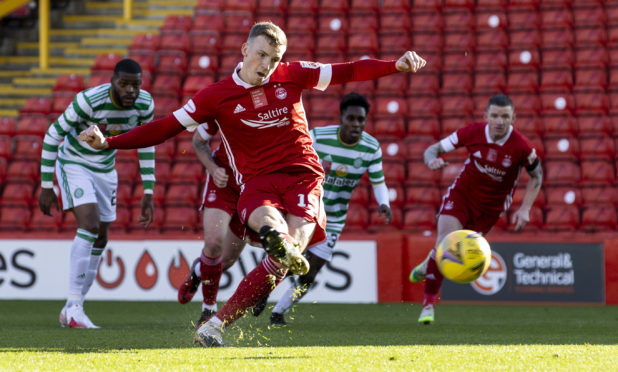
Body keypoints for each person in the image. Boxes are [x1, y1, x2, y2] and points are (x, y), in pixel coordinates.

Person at [78, 22, 425, 346]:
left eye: (274, 59)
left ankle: (216, 324)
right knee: (270, 228)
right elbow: (166, 127)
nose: (267, 66)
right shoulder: (216, 96)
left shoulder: (293, 75)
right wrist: (110, 142)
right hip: (256, 180)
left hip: (302, 174)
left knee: (293, 247)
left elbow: (347, 71)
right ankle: (273, 245)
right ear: (244, 50)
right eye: (260, 55)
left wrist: (395, 65)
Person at [252, 92, 393, 326]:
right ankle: (263, 291)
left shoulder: (371, 148)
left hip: (334, 219)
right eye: (351, 119)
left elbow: (378, 182)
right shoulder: (318, 137)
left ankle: (278, 312)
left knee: (310, 273)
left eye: (361, 120)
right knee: (283, 254)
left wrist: (384, 203)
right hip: (304, 209)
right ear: (342, 118)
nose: (356, 124)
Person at [39, 58, 155, 328]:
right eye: (124, 84)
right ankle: (75, 307)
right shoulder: (88, 101)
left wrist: (148, 189)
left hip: (105, 169)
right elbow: (53, 134)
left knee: (101, 238)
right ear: (112, 81)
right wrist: (47, 186)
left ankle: (72, 308)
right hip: (74, 163)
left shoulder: (145, 104)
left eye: (135, 85)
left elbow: (147, 142)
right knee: (89, 226)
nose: (130, 90)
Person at [408, 93, 543, 325]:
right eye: (495, 115)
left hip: (491, 209)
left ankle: (429, 260)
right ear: (486, 116)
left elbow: (536, 176)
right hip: (461, 196)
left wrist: (525, 209)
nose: (500, 121)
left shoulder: (522, 146)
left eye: (505, 116)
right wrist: (431, 161)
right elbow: (433, 149)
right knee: (446, 243)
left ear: (513, 118)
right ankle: (428, 305)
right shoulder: (471, 132)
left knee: (453, 252)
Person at [176, 122, 248, 328]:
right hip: (223, 181)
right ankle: (208, 310)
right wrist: (213, 168)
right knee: (214, 243)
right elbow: (199, 142)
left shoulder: (274, 107)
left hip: (253, 184)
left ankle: (199, 270)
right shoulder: (225, 100)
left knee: (226, 261)